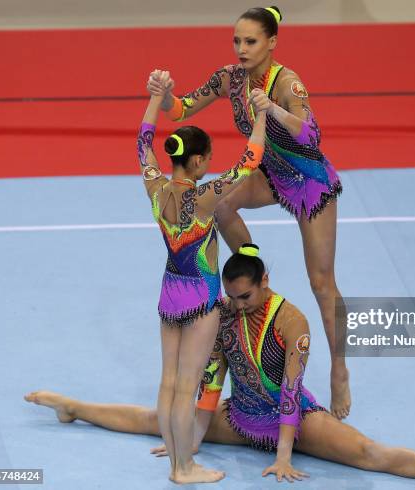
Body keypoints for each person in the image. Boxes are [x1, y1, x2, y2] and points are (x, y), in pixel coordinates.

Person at [25, 246, 415, 487]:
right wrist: (190, 440)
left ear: (265, 281)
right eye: (231, 297)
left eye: (245, 296)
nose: (237, 305)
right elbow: (211, 382)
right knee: (161, 422)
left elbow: (291, 394)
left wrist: (283, 456)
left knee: (368, 454)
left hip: (291, 419)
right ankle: (74, 407)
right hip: (242, 415)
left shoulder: (291, 321)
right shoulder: (226, 316)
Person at [147, 5, 351, 419]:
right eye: (237, 40)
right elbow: (182, 110)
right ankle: (252, 262)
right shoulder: (229, 78)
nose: (241, 48)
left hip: (310, 182)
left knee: (321, 282)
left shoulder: (287, 84)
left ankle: (340, 371)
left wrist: (272, 109)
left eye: (250, 41)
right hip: (271, 173)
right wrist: (164, 95)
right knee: (219, 202)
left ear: (272, 43)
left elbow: (311, 134)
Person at [137, 70, 268, 483]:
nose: (210, 165)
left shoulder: (155, 187)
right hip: (200, 298)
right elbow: (249, 163)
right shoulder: (205, 198)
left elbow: (142, 142)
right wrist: (261, 115)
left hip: (168, 292)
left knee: (169, 381)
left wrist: (156, 99)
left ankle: (176, 453)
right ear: (196, 162)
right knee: (189, 384)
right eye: (208, 159)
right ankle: (183, 467)